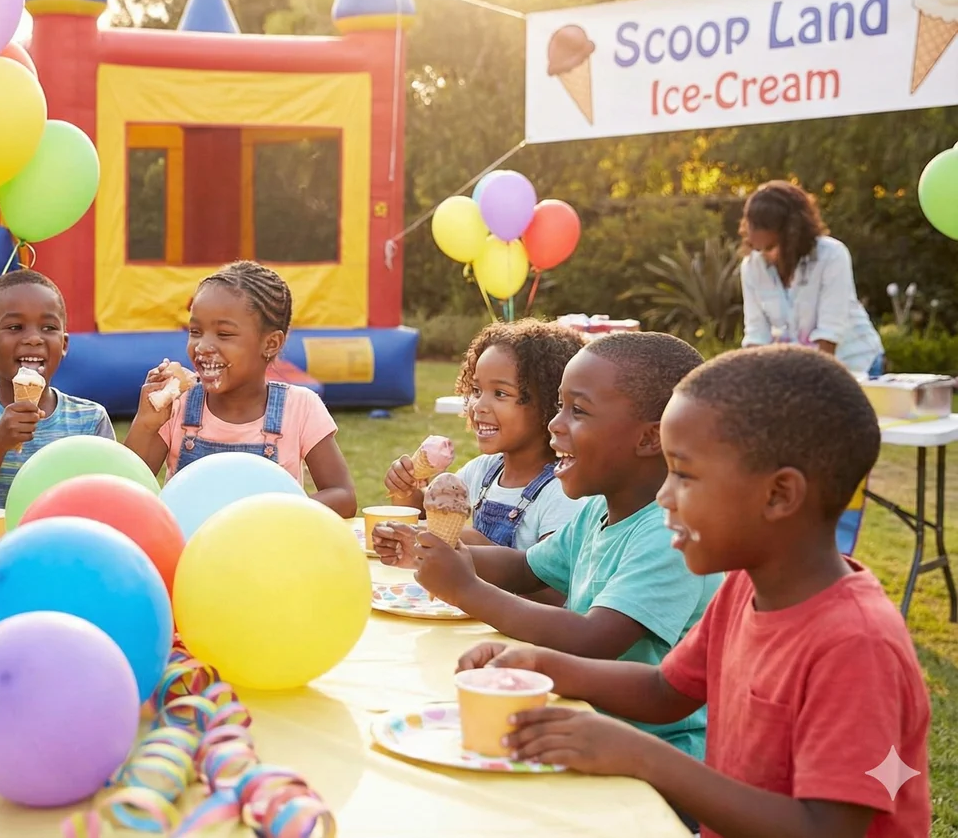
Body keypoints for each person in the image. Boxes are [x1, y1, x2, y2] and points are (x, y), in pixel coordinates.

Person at [471, 347, 930, 838]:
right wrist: (544, 666)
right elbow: (666, 690)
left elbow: (826, 828)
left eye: (684, 475)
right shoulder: (741, 590)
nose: (665, 496)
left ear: (778, 495)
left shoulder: (856, 644)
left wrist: (642, 756)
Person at [375, 332, 721, 764]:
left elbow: (595, 639)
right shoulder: (597, 510)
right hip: (579, 725)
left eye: (578, 411)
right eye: (559, 406)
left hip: (656, 758)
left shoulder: (668, 535)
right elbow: (524, 568)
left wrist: (466, 589)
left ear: (650, 438)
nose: (555, 424)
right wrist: (439, 553)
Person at [125, 261, 357, 517]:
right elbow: (127, 492)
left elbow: (343, 496)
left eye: (224, 334)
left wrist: (278, 513)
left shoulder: (301, 407)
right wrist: (146, 424)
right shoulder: (177, 405)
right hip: (189, 552)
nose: (202, 346)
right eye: (195, 331)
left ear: (270, 343)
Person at [383, 319, 586, 550]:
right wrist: (406, 490)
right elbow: (426, 517)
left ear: (551, 404)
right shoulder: (480, 472)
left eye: (500, 393)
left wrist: (478, 547)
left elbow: (550, 580)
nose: (479, 405)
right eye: (477, 390)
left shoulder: (563, 492)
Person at [0, 270, 116, 510]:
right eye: (15, 327)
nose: (33, 339)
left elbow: (110, 502)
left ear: (64, 344)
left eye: (49, 327)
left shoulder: (90, 420)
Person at [740, 180, 884, 375]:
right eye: (759, 248)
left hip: (855, 363)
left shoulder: (832, 255)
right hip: (802, 372)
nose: (766, 256)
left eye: (771, 247)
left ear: (793, 234)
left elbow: (829, 336)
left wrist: (811, 389)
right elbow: (756, 335)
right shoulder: (752, 267)